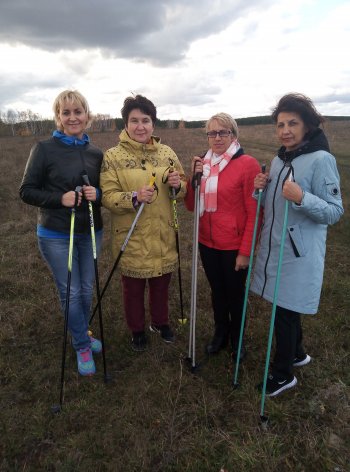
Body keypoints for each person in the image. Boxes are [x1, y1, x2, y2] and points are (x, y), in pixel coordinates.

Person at [251, 93, 344, 397]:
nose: (285, 130)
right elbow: (275, 204)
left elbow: (334, 211)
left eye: (293, 123)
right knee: (285, 306)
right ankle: (298, 353)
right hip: (277, 245)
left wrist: (303, 197)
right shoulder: (280, 158)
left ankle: (282, 374)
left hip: (299, 253)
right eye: (280, 124)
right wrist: (260, 191)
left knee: (284, 312)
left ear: (307, 126)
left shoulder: (322, 159)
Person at [19, 90, 104, 376]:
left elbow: (104, 192)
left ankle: (82, 331)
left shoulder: (95, 153)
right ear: (58, 117)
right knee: (70, 290)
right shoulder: (43, 150)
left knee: (86, 289)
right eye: (65, 113)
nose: (72, 117)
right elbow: (26, 191)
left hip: (90, 232)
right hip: (56, 233)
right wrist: (60, 199)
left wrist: (98, 193)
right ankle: (81, 343)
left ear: (87, 116)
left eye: (77, 111)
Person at [100, 94, 187, 352]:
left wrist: (177, 185)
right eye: (134, 120)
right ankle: (137, 329)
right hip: (132, 234)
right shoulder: (112, 156)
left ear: (153, 124)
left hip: (162, 233)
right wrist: (134, 197)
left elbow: (181, 189)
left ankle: (160, 322)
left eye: (146, 120)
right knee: (133, 289)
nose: (140, 126)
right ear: (125, 124)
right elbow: (107, 196)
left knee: (161, 283)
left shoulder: (167, 153)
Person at [184, 113, 261, 358]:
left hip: (233, 244)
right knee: (217, 292)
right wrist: (192, 179)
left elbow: (255, 213)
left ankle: (238, 339)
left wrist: (245, 252)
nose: (217, 138)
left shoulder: (247, 164)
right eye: (212, 133)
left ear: (233, 135)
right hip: (207, 241)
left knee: (235, 294)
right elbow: (189, 205)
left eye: (223, 132)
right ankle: (221, 333)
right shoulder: (203, 164)